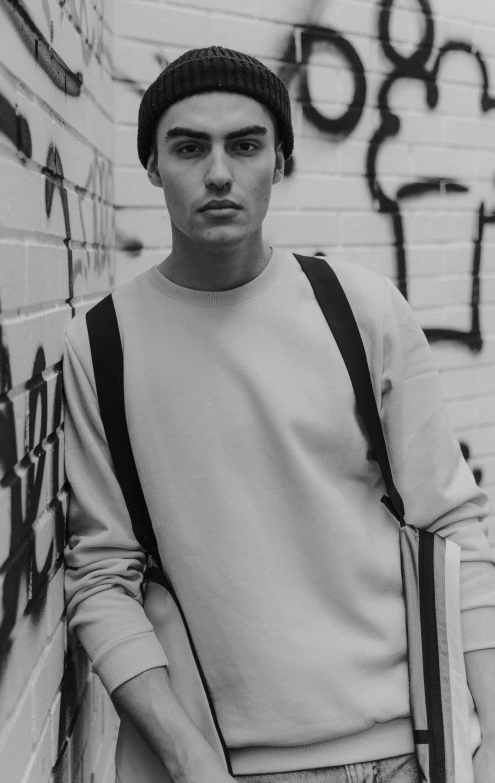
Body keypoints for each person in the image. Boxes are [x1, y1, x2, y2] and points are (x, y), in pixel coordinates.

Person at [62, 47, 495, 783]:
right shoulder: (102, 343)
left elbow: (452, 528)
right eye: (189, 147)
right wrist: (186, 755)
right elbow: (101, 577)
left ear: (280, 162)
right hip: (222, 765)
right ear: (152, 166)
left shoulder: (359, 309)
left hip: (402, 751)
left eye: (246, 144)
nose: (220, 172)